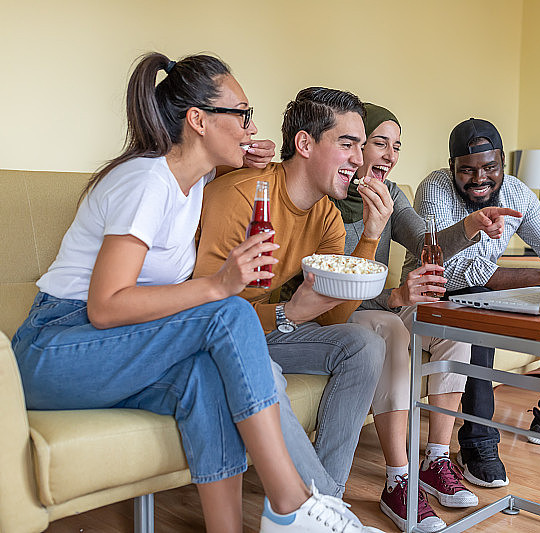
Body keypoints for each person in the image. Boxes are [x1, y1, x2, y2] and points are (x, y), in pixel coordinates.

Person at [10, 53, 382, 533]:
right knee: (228, 311)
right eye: (242, 114)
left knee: (206, 377)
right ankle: (289, 504)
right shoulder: (146, 181)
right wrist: (218, 285)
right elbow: (104, 307)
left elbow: (216, 183)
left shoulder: (192, 184)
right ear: (198, 120)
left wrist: (232, 166)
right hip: (56, 346)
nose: (253, 128)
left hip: (110, 346)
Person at [194, 87, 392, 501]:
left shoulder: (327, 217)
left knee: (363, 344)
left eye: (360, 145)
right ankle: (323, 509)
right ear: (304, 143)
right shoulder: (243, 195)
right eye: (347, 144)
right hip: (213, 334)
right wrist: (287, 314)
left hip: (260, 326)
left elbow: (334, 320)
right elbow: (205, 309)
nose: (359, 158)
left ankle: (326, 501)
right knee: (270, 372)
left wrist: (371, 236)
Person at [330, 104, 520, 532]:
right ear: (353, 145)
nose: (390, 155)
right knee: (392, 329)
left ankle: (435, 459)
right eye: (380, 143)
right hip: (348, 314)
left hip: (385, 303)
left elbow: (426, 241)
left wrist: (470, 225)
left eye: (396, 146)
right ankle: (398, 480)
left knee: (454, 322)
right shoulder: (331, 195)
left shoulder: (390, 193)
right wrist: (395, 295)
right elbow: (335, 286)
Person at [404, 117, 540, 488]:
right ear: (451, 166)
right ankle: (477, 445)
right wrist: (536, 277)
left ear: (503, 162)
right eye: (466, 170)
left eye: (490, 167)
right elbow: (447, 270)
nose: (479, 178)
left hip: (484, 291)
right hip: (436, 297)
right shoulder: (434, 189)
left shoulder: (518, 193)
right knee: (475, 311)